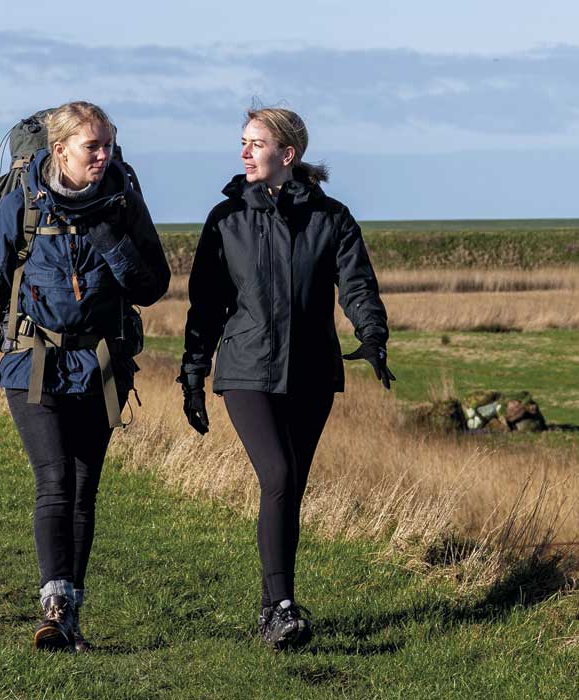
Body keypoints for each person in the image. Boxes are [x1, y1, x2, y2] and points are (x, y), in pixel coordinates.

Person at [0, 101, 170, 652]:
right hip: (32, 362)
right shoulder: (23, 204)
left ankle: (68, 613)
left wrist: (109, 240)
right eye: (92, 146)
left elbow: (152, 285)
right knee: (55, 482)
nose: (103, 155)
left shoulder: (123, 202)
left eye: (107, 145)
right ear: (60, 149)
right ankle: (54, 603)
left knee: (84, 490)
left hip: (99, 367)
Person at [177, 106, 394, 651]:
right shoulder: (225, 219)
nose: (244, 152)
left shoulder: (333, 218)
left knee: (289, 486)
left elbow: (358, 284)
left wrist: (372, 336)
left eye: (256, 143)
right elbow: (205, 306)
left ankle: (275, 603)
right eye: (243, 142)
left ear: (287, 155)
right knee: (276, 474)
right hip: (248, 371)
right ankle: (280, 608)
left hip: (313, 372)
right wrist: (193, 374)